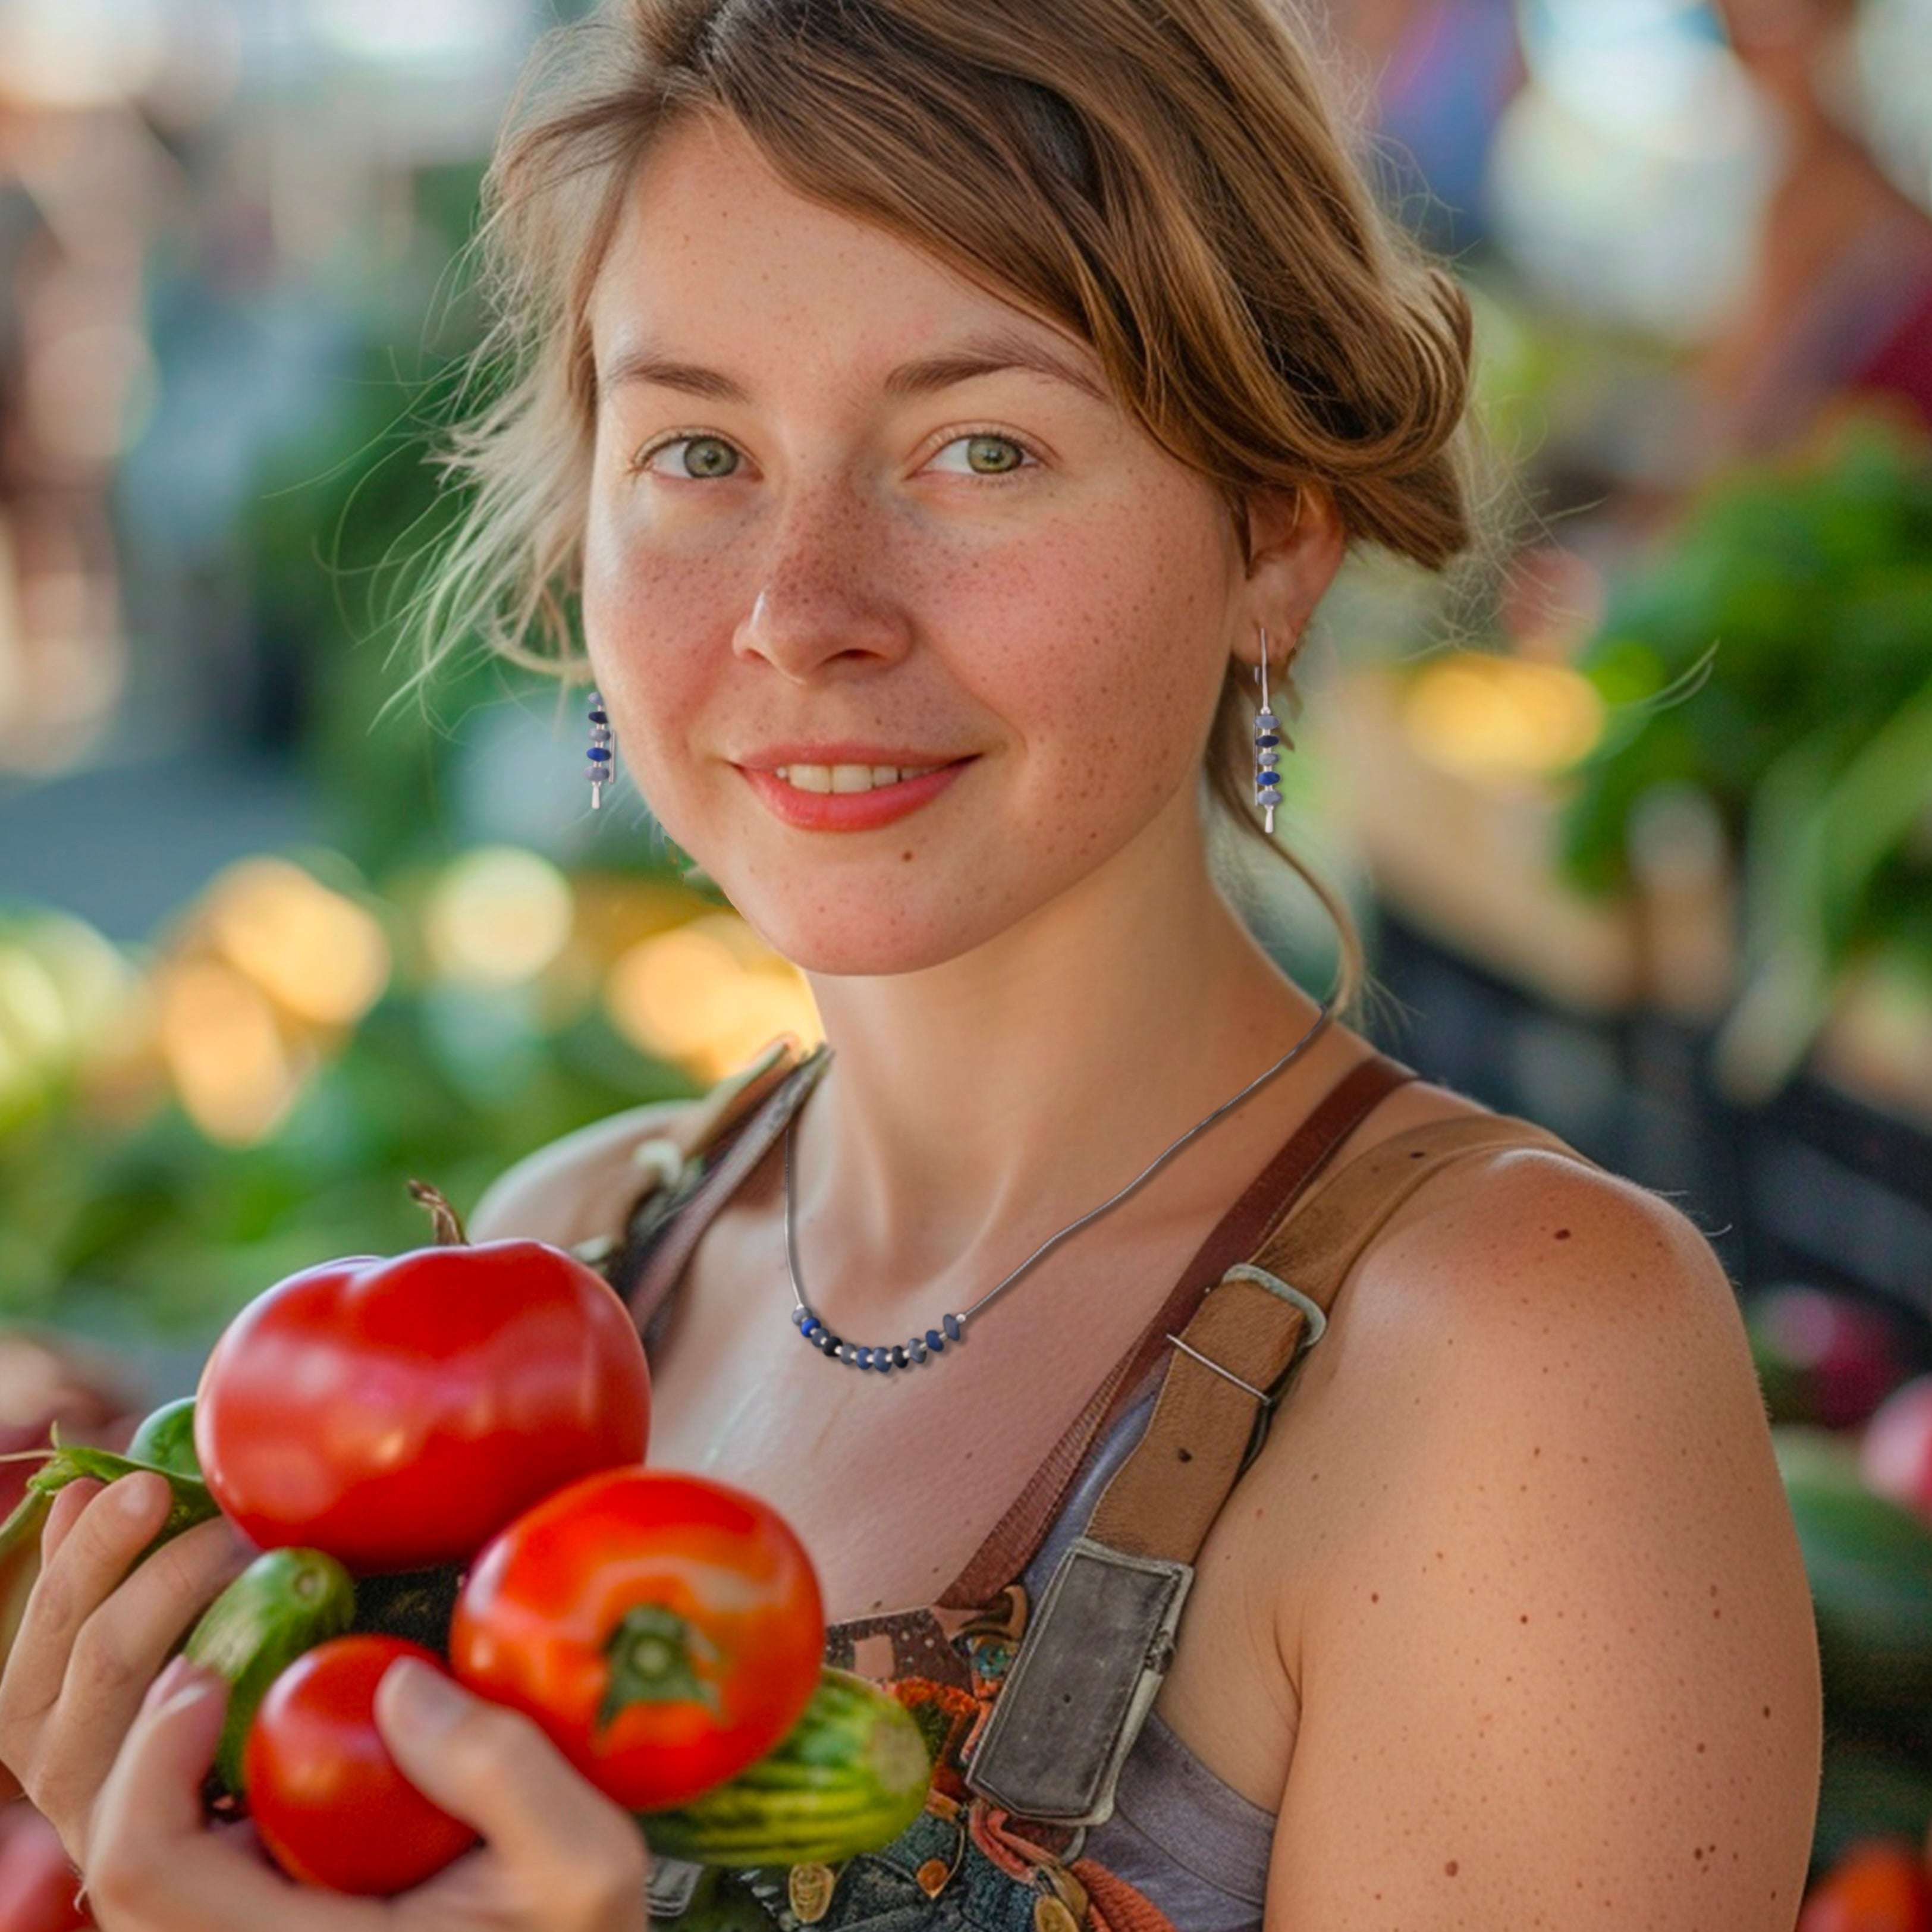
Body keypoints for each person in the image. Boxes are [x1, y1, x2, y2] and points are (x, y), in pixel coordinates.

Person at [0, 1, 1820, 1927]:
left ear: (1276, 534)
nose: (803, 614)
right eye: (700, 449)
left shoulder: (1519, 1366)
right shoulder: (580, 1255)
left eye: (976, 446)